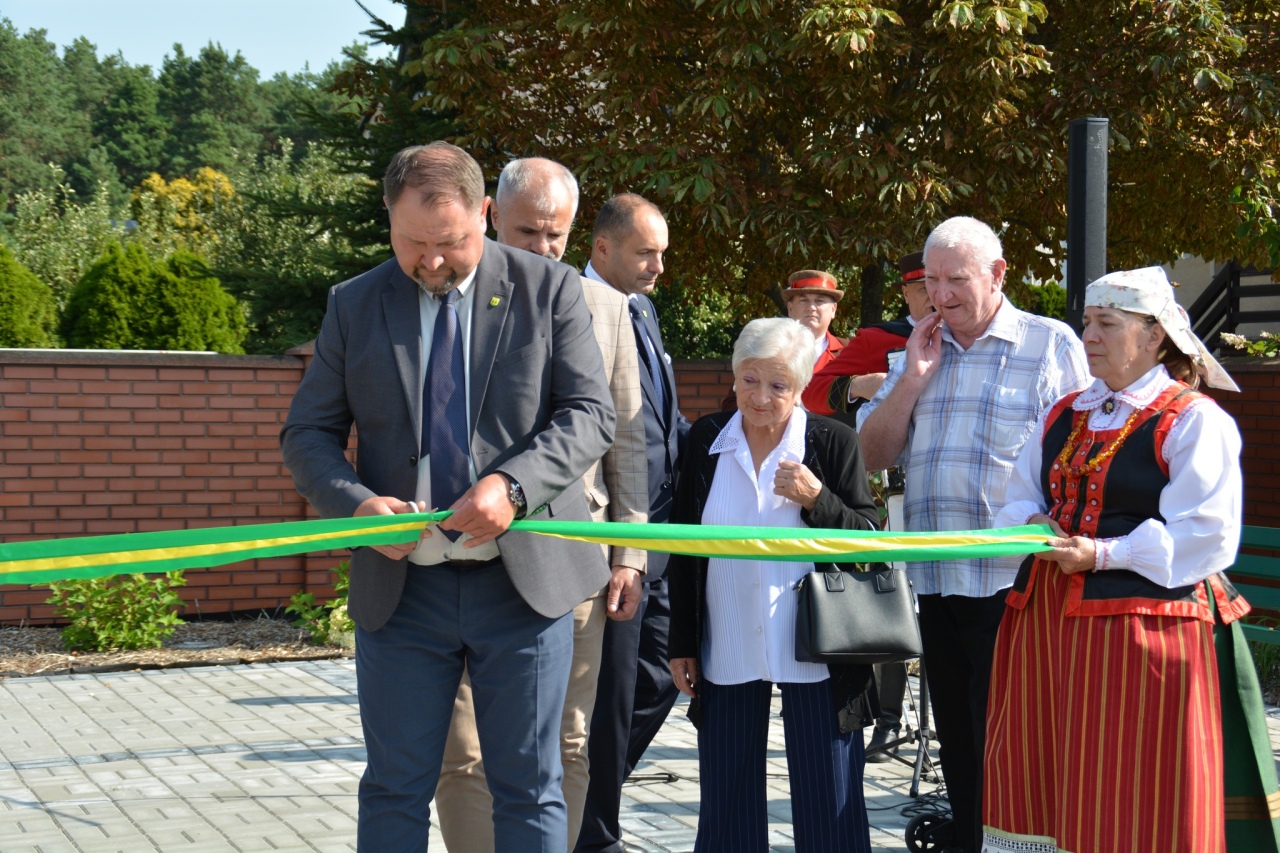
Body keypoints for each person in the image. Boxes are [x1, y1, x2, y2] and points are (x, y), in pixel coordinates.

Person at [280, 142, 616, 851]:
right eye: (413, 243)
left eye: (452, 243)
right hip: (403, 592)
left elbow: (589, 414)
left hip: (522, 587)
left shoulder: (547, 289)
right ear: (389, 220)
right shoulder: (354, 303)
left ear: (487, 215)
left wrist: (514, 486)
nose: (432, 261)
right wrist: (356, 506)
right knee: (395, 786)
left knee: (529, 786)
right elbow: (306, 434)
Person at [982, 267, 1277, 853]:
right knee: (1043, 769)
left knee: (1134, 784)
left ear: (1154, 337)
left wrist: (1103, 553)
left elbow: (1206, 536)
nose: (1088, 334)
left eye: (1107, 323)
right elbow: (1018, 494)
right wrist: (1033, 523)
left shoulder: (1193, 420)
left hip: (1146, 630)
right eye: (1088, 321)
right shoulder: (1067, 412)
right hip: (1047, 623)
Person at [435, 157, 650, 851]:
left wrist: (631, 554)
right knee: (460, 748)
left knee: (569, 741)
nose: (545, 248)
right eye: (529, 231)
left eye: (557, 235)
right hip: (459, 552)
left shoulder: (608, 309)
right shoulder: (451, 297)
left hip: (569, 559)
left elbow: (625, 439)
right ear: (492, 217)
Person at [857, 217, 1090, 853]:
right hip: (935, 575)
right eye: (930, 281)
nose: (941, 295)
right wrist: (912, 379)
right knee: (959, 736)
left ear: (997, 275)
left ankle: (1022, 843)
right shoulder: (915, 350)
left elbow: (1082, 452)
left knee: (1014, 734)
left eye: (956, 279)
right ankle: (969, 840)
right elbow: (872, 455)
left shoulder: (1050, 344)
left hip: (1015, 580)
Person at [667, 317, 880, 852]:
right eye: (749, 380)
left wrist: (818, 501)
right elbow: (684, 550)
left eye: (778, 384)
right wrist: (682, 644)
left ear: (801, 386)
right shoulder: (705, 440)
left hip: (819, 648)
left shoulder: (832, 442)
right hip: (729, 640)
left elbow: (873, 543)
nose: (760, 397)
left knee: (829, 804)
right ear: (734, 376)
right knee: (727, 807)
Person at [577, 194, 690, 853]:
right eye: (646, 252)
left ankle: (588, 796)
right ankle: (592, 831)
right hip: (614, 532)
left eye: (663, 253)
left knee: (658, 672)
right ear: (603, 249)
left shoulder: (641, 309)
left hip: (664, 530)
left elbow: (657, 424)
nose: (657, 267)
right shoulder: (575, 312)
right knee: (613, 689)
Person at [802, 250, 932, 761]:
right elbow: (814, 391)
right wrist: (858, 385)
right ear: (906, 292)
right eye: (923, 287)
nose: (936, 295)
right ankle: (886, 718)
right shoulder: (881, 339)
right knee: (891, 596)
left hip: (955, 495)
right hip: (893, 488)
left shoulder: (975, 336)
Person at [784, 268, 847, 372]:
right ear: (790, 309)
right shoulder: (771, 348)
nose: (811, 307)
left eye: (819, 301)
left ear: (833, 309)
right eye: (803, 300)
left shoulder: (848, 352)